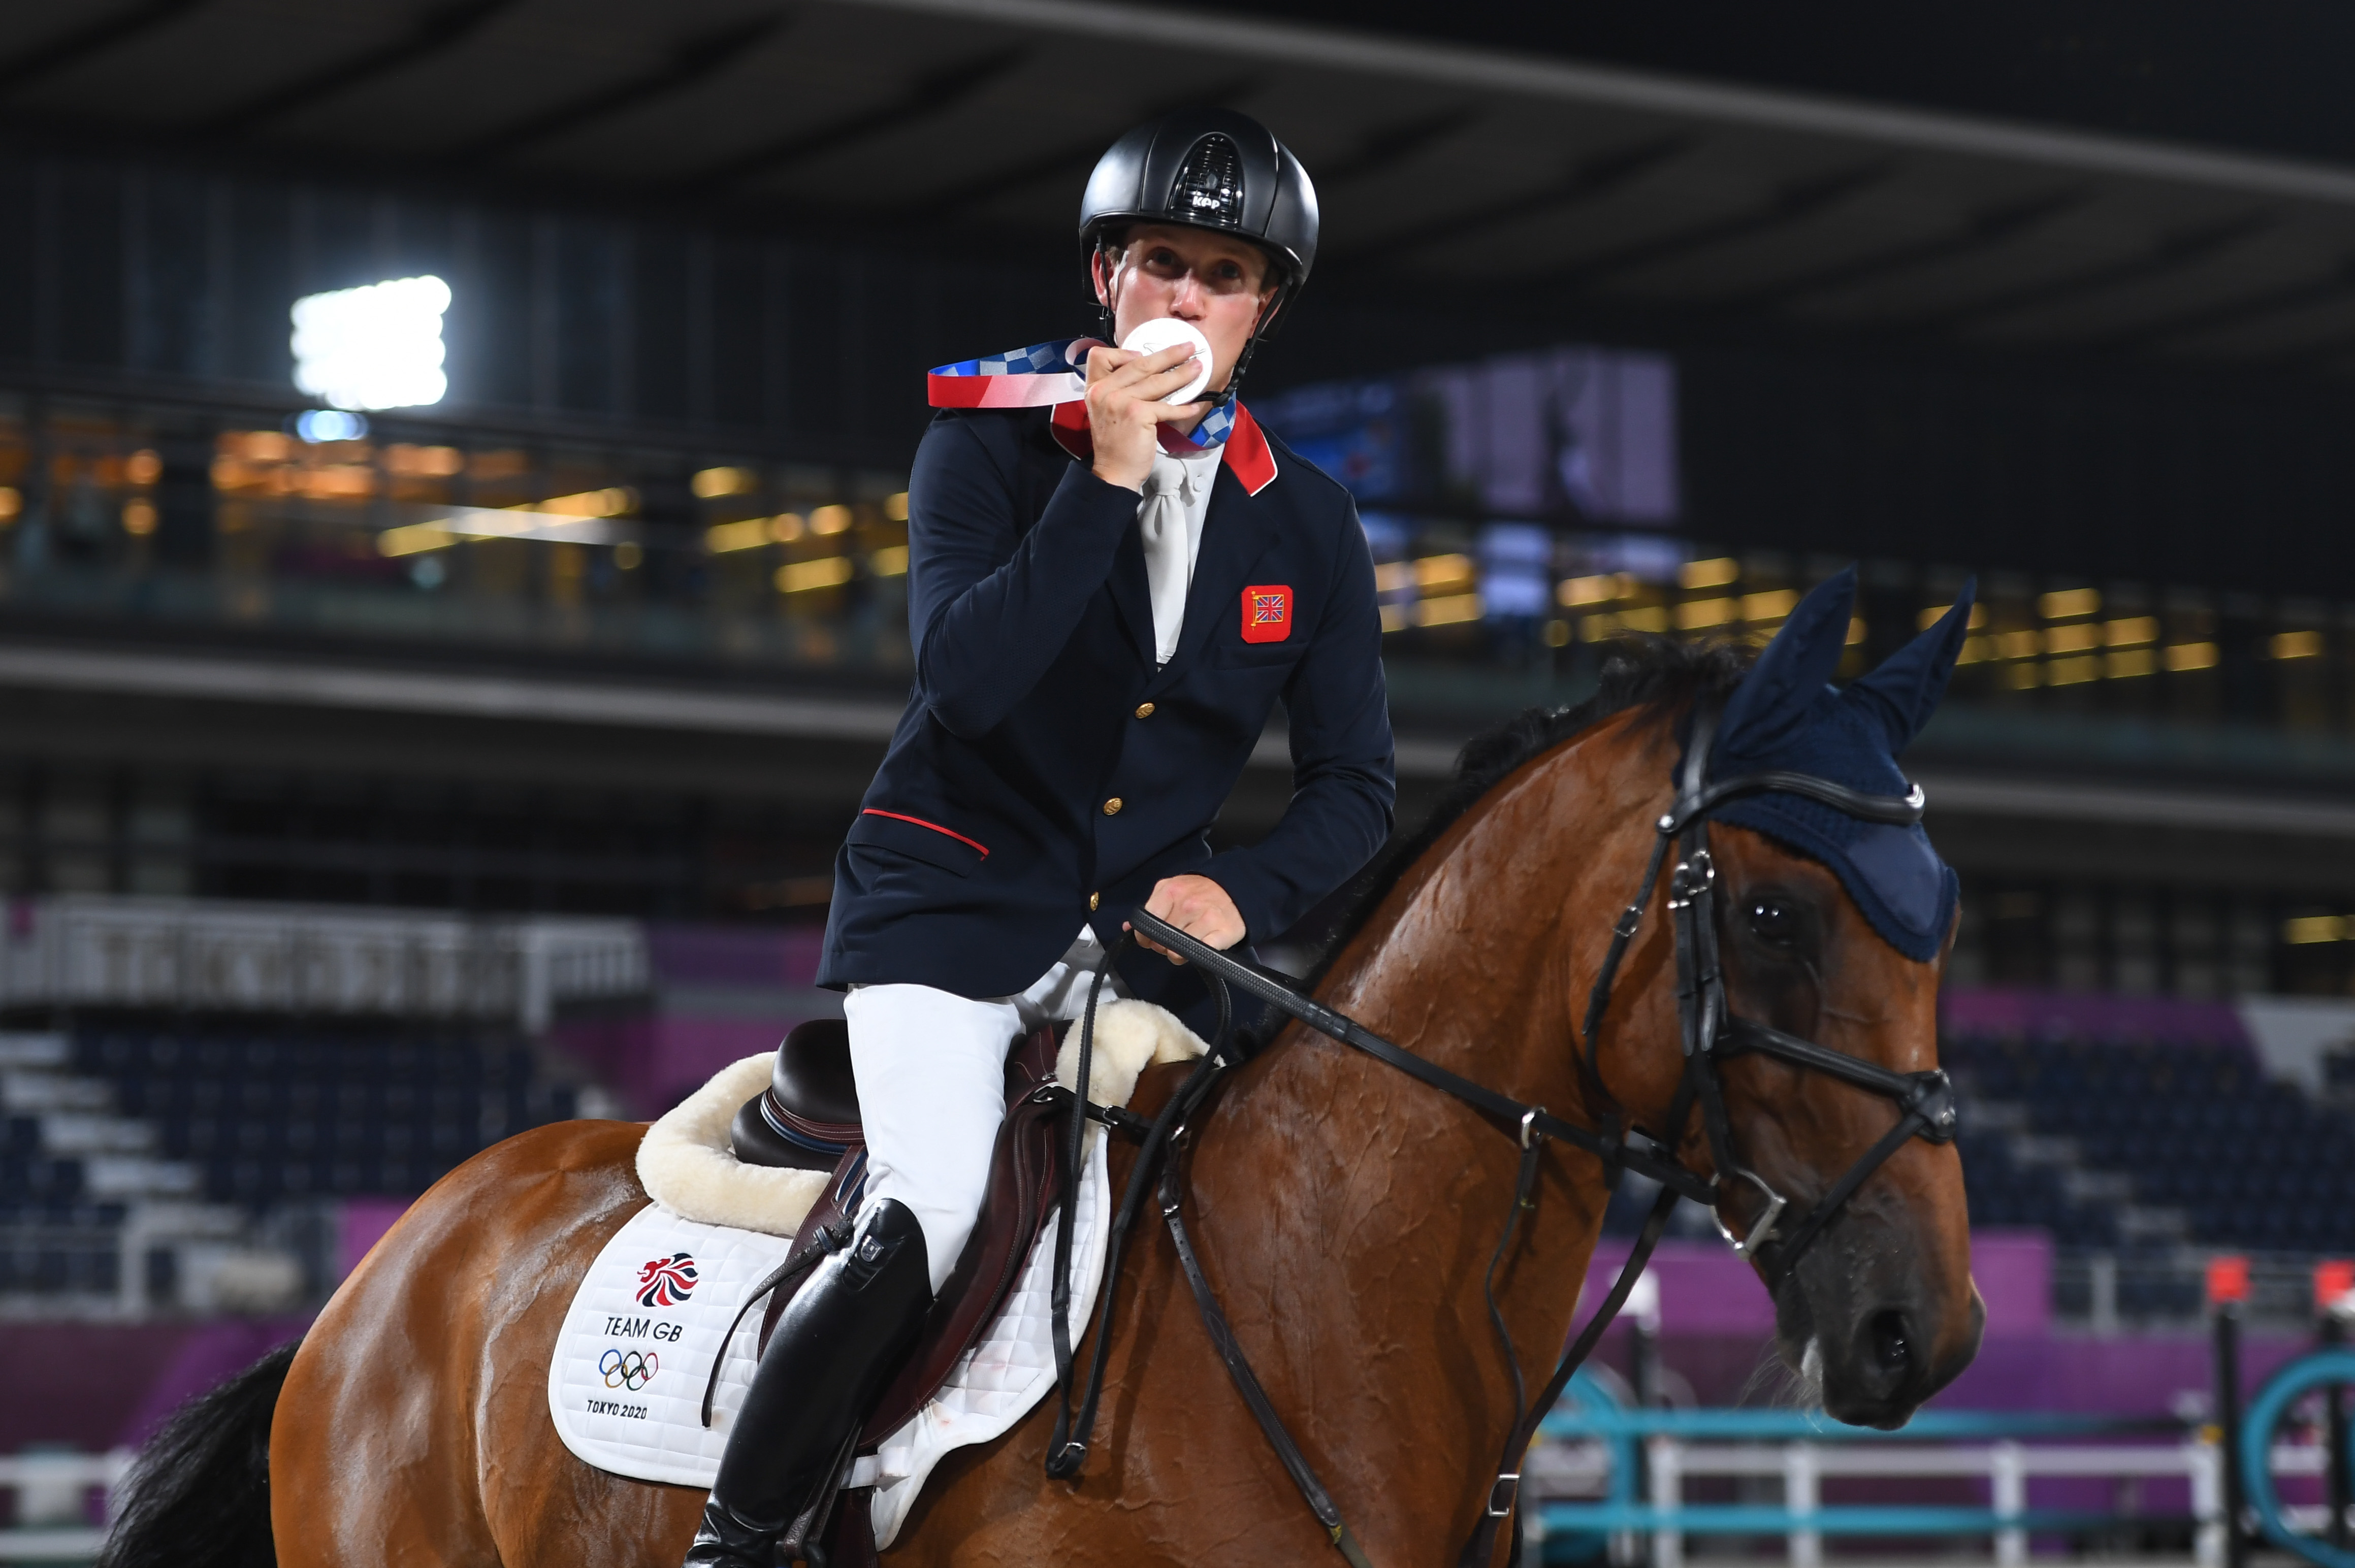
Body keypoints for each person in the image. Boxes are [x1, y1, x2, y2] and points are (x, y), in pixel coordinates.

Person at [685, 106, 1397, 1567]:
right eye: (1161, 263)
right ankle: (744, 1540)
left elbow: (1356, 791)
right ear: (1105, 278)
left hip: (1150, 946)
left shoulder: (1308, 522)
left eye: (1226, 274)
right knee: (935, 1199)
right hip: (950, 907)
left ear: (1267, 307)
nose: (1186, 299)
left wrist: (1243, 893)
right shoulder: (987, 442)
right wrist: (1108, 479)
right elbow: (967, 679)